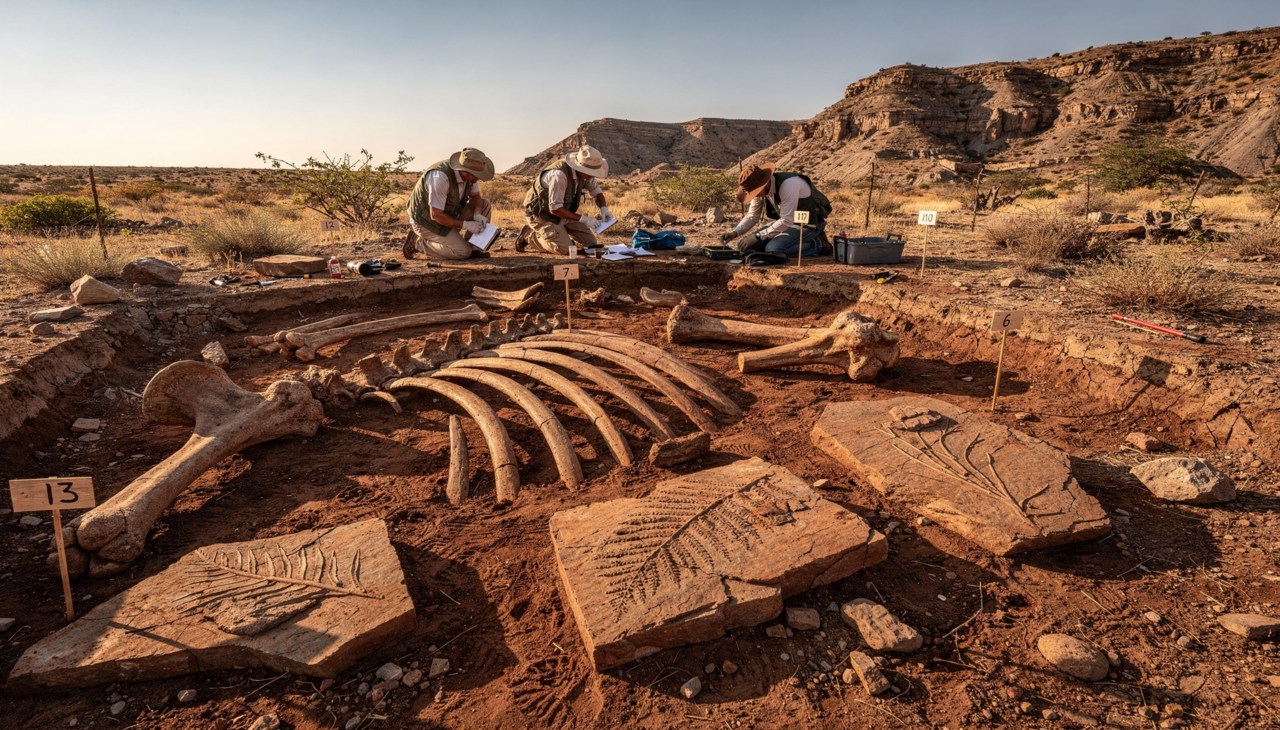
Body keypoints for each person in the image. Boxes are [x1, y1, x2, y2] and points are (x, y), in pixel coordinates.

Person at [518, 145, 616, 255]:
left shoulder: (586, 175)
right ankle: (528, 236)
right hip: (542, 215)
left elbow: (596, 192)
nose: (592, 176)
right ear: (580, 167)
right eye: (590, 173)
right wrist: (584, 219)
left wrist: (603, 208)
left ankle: (561, 237)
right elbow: (554, 209)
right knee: (564, 249)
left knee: (591, 243)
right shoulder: (559, 175)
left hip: (563, 214)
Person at [720, 163, 832, 257]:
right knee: (747, 247)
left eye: (755, 192)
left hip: (809, 224)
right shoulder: (760, 193)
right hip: (788, 223)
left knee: (774, 249)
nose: (754, 195)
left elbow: (786, 220)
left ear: (765, 183)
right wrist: (735, 233)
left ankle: (818, 244)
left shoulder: (788, 185)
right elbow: (752, 216)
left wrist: (758, 236)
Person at [403, 148, 496, 260]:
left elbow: (475, 196)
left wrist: (477, 214)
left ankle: (474, 248)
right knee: (462, 252)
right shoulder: (440, 178)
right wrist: (466, 225)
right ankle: (418, 242)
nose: (478, 179)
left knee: (484, 204)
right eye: (476, 175)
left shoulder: (470, 178)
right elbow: (436, 215)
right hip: (426, 222)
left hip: (449, 214)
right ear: (465, 171)